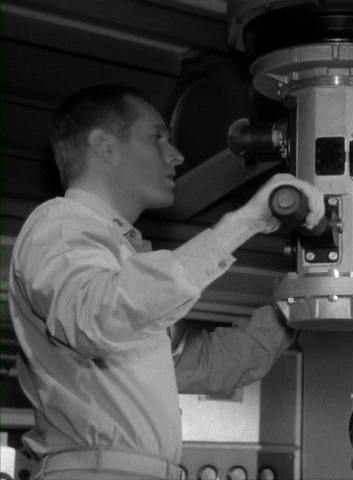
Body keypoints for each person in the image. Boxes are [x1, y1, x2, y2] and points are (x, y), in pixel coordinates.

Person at [8, 84, 325, 480]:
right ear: (105, 146)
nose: (176, 155)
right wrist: (244, 222)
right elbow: (98, 317)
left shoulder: (122, 263)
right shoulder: (58, 225)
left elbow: (207, 365)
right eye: (157, 137)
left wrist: (303, 301)